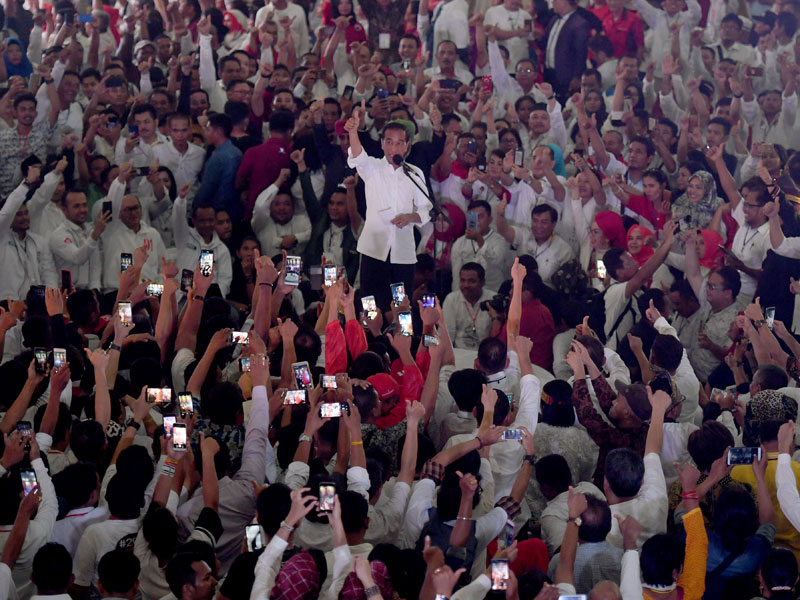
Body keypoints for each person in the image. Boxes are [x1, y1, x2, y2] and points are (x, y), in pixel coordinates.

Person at [345, 105, 432, 311]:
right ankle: (371, 343)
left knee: (401, 306)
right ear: (382, 144)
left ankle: (403, 341)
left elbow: (426, 209)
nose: (394, 148)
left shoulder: (415, 173)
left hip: (403, 253)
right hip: (374, 249)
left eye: (400, 143)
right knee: (370, 304)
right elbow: (358, 157)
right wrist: (352, 132)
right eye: (389, 142)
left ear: (407, 145)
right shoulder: (373, 168)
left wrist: (411, 216)